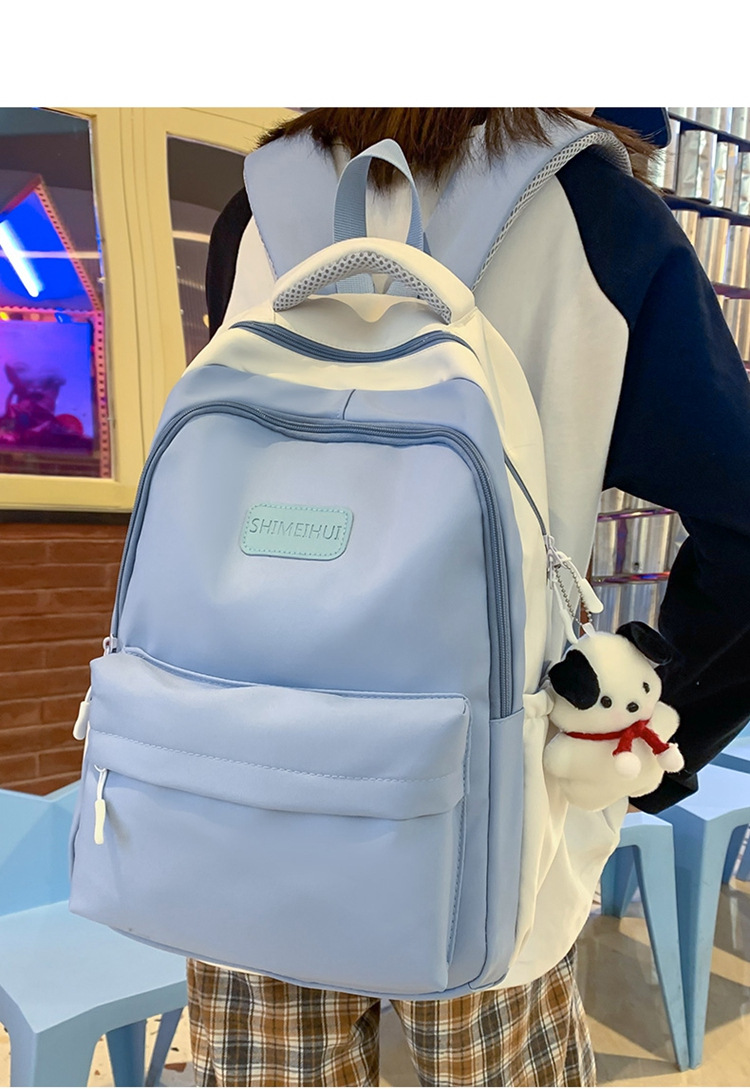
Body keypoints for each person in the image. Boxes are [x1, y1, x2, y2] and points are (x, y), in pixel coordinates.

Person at [188, 108, 750, 1087]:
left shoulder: (258, 206)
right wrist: (641, 737)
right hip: (491, 808)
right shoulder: (594, 215)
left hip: (241, 786)